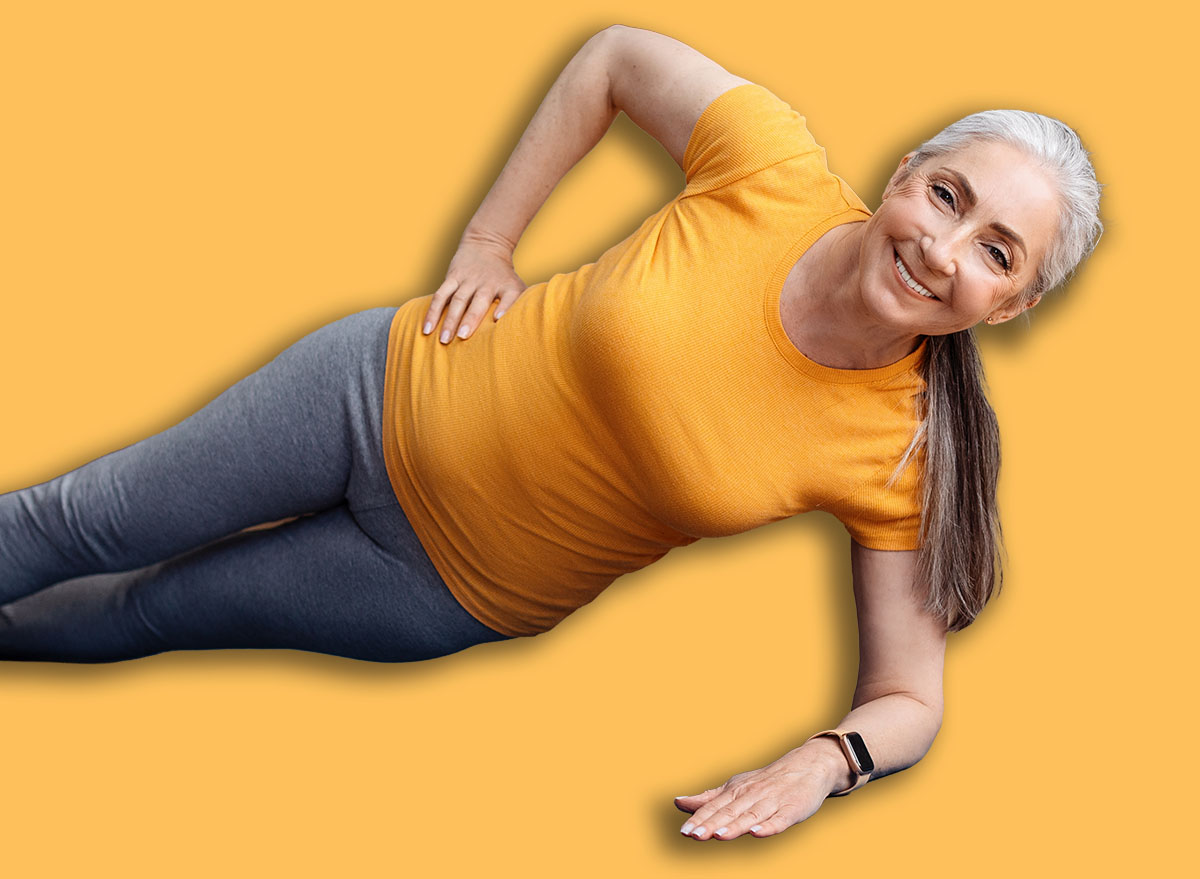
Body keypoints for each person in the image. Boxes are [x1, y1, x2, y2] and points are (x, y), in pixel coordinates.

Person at [0, 25, 1101, 840]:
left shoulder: (904, 454)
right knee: (83, 521)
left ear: (1011, 308)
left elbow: (911, 700)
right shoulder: (772, 167)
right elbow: (615, 55)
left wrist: (827, 761)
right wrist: (488, 240)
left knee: (151, 610)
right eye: (948, 197)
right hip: (373, 389)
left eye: (999, 253)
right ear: (906, 174)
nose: (945, 249)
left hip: (437, 586)